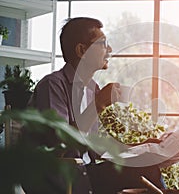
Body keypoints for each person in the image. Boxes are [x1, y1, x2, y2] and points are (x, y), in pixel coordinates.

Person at [27, 17, 164, 194]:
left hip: (87, 172)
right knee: (147, 170)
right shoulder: (52, 85)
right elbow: (59, 141)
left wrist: (138, 147)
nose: (110, 49)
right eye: (102, 44)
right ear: (81, 50)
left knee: (147, 163)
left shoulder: (93, 88)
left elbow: (95, 146)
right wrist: (98, 104)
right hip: (63, 176)